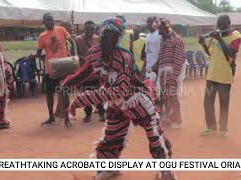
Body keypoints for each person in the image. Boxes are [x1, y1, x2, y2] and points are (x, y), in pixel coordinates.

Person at [61, 18, 176, 180]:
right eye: (104, 34)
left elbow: (119, 91)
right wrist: (66, 84)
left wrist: (80, 100)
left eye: (111, 35)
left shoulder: (123, 57)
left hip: (136, 102)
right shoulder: (94, 53)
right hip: (116, 106)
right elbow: (85, 73)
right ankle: (110, 168)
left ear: (117, 39)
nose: (105, 38)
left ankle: (166, 171)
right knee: (111, 138)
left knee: (155, 137)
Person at [198, 14, 241, 136]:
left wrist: (220, 39)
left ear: (229, 23)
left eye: (223, 24)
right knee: (208, 102)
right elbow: (210, 53)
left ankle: (223, 129)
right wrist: (203, 44)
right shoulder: (215, 36)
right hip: (211, 75)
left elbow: (231, 54)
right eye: (219, 24)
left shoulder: (236, 36)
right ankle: (211, 128)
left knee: (223, 103)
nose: (221, 26)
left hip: (224, 76)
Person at [35, 13, 74, 125]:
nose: (50, 22)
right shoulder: (42, 36)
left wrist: (73, 53)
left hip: (63, 65)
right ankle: (51, 116)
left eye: (51, 20)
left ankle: (67, 117)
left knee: (64, 92)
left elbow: (71, 41)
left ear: (54, 21)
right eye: (47, 20)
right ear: (44, 22)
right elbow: (39, 50)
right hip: (50, 68)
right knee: (49, 93)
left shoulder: (61, 29)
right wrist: (36, 56)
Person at [156, 18, 186, 129]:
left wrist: (174, 76)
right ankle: (168, 118)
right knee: (165, 97)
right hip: (163, 73)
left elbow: (179, 59)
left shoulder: (176, 39)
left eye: (160, 29)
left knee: (174, 97)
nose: (159, 31)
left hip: (172, 72)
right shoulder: (163, 40)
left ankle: (176, 121)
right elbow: (161, 58)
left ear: (166, 27)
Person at [75, 20, 105, 122]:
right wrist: (86, 60)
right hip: (84, 71)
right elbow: (75, 54)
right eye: (88, 29)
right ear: (84, 28)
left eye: (92, 29)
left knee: (99, 93)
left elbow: (101, 52)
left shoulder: (98, 39)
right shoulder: (78, 39)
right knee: (86, 94)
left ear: (94, 29)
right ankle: (88, 114)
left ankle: (101, 113)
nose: (90, 31)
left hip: (96, 71)